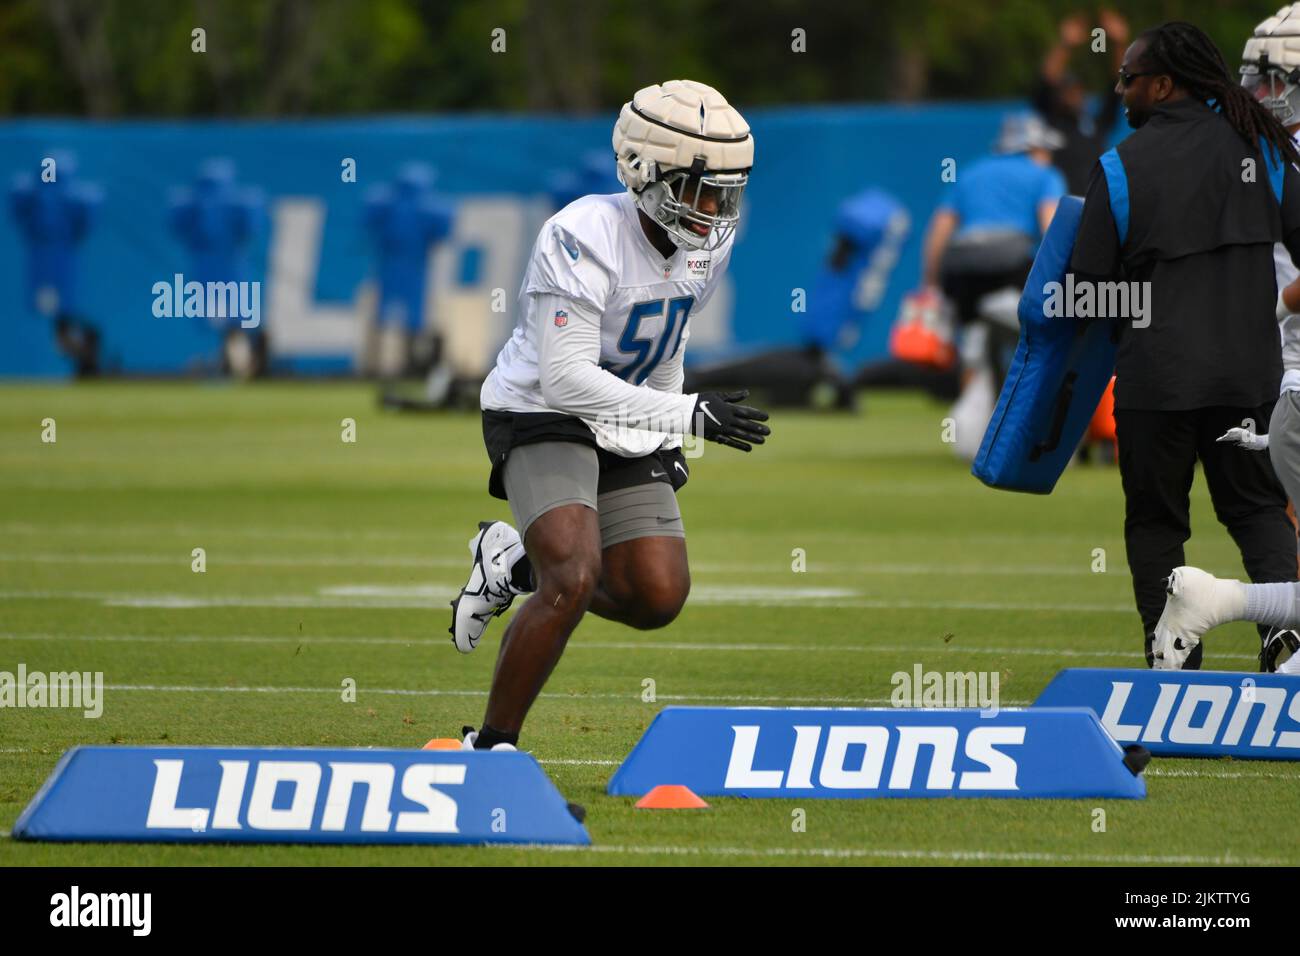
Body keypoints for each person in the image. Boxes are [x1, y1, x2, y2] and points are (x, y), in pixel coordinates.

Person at [446, 80, 771, 751]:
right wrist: (684, 414)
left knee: (656, 595)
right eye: (697, 187)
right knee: (573, 577)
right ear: (645, 173)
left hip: (623, 409)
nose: (713, 208)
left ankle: (510, 565)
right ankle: (493, 747)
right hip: (542, 411)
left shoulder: (706, 243)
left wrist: (666, 426)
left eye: (725, 192)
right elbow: (566, 380)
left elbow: (667, 342)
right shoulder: (582, 234)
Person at [1068, 21, 1300, 670]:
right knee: (1258, 511)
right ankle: (1287, 641)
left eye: (1128, 79)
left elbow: (1085, 291)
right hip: (1249, 376)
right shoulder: (1268, 149)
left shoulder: (1119, 167)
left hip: (1156, 379)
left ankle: (1173, 656)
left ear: (1163, 85)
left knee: (1156, 522)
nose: (1119, 92)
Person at [1146, 6, 1300, 673]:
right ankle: (1227, 605)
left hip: (1257, 371)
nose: (1259, 94)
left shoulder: (1247, 147)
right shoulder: (1261, 149)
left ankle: (1227, 604)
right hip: (1275, 373)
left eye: (1270, 78)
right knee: (1259, 511)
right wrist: (1270, 307)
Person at [1035, 10, 1130, 194]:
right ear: (1057, 96)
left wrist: (1119, 43)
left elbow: (1119, 83)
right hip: (1060, 206)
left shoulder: (1095, 125)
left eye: (1076, 91)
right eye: (1067, 91)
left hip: (1094, 205)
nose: (1073, 95)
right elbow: (1047, 79)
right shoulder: (1051, 122)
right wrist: (1065, 45)